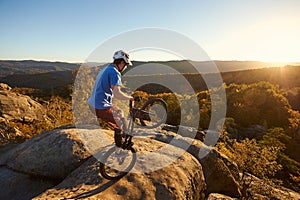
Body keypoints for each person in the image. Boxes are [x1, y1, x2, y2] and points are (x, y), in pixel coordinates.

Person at [88, 50, 134, 155]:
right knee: (119, 123)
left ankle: (122, 136)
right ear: (122, 62)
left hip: (95, 103)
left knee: (119, 112)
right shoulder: (115, 72)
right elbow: (117, 93)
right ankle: (119, 150)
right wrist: (130, 98)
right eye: (125, 65)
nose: (125, 67)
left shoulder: (106, 69)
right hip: (100, 107)